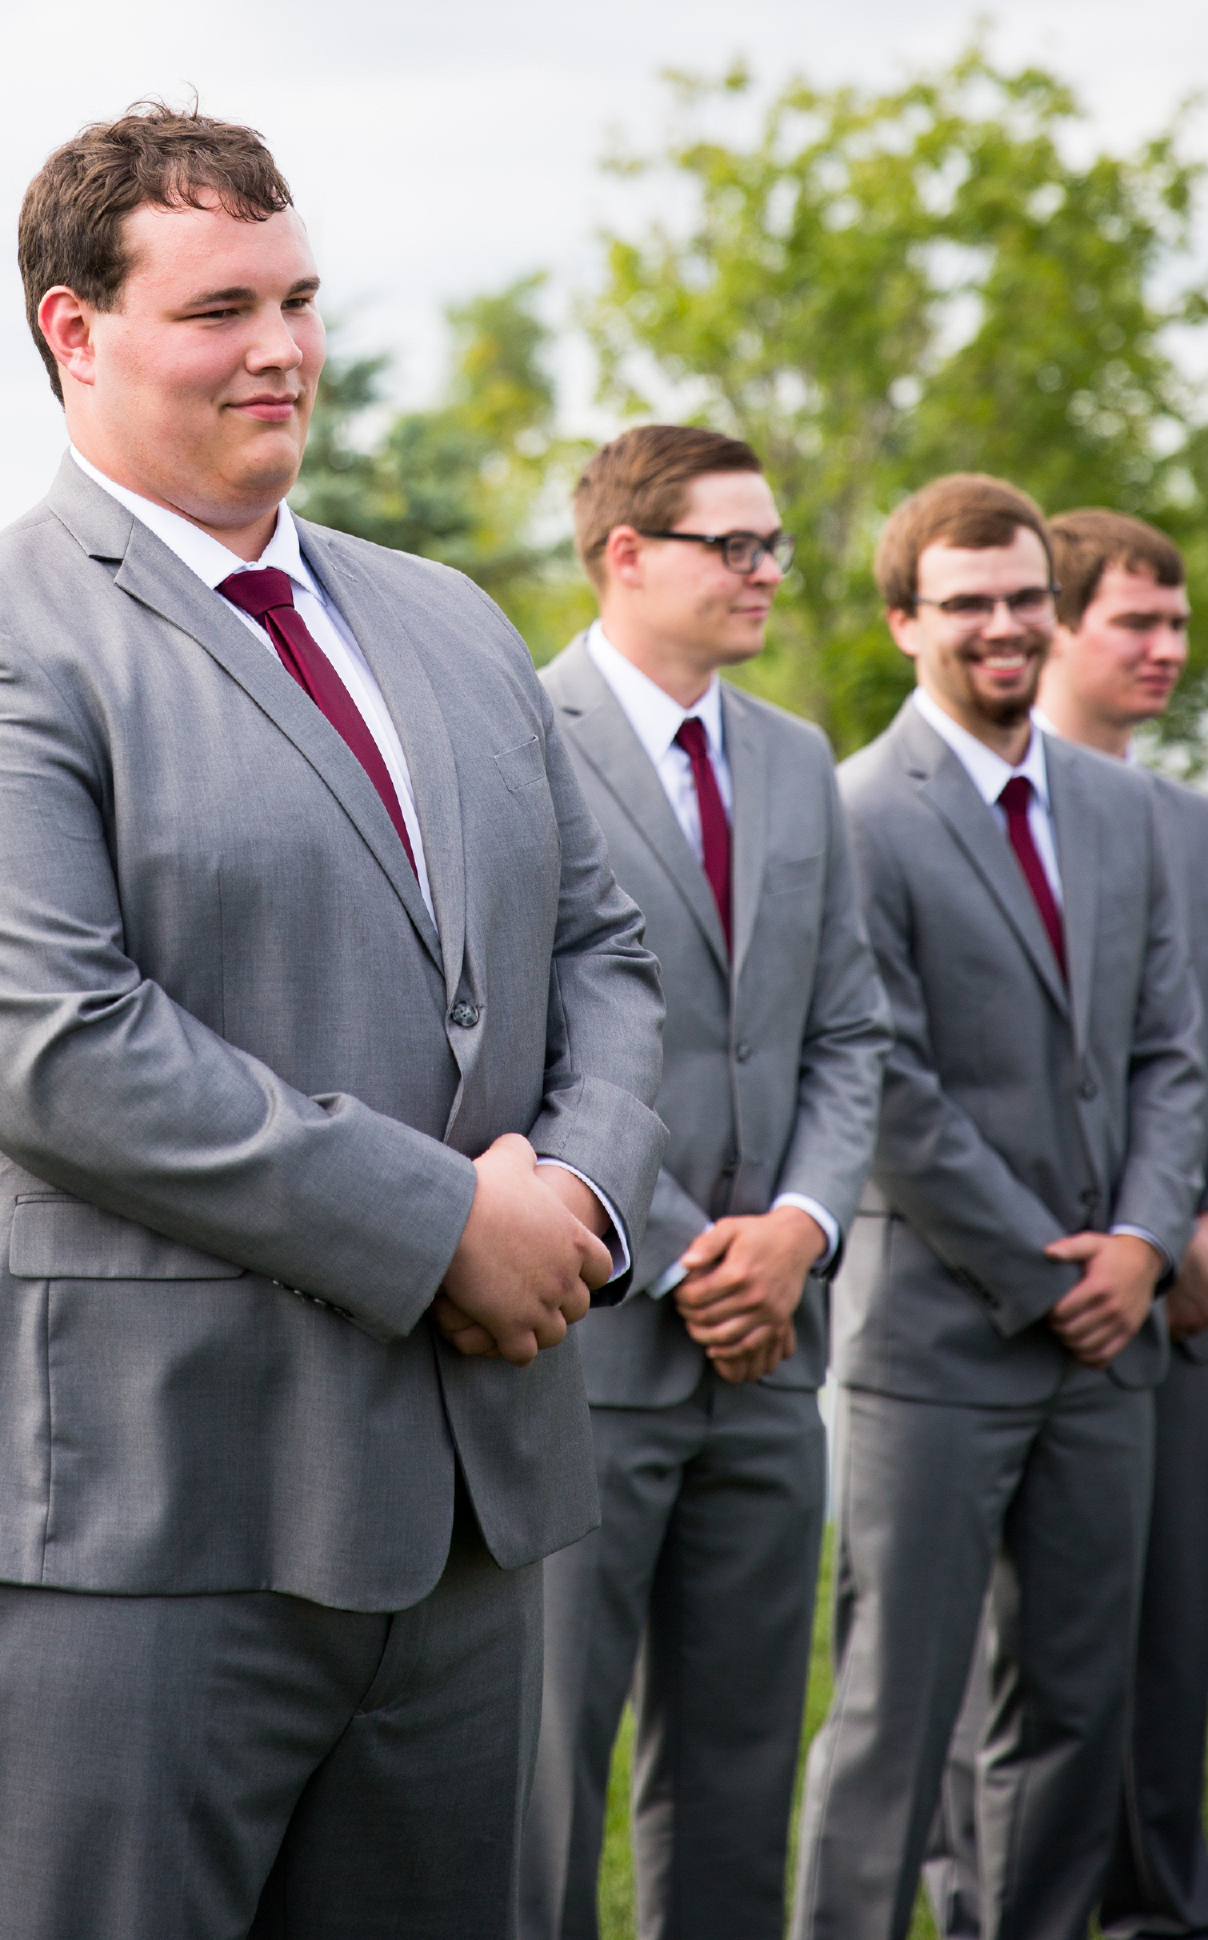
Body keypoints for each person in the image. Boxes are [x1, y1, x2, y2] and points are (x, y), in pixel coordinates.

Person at [0, 104, 668, 1940]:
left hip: (462, 1519)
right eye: (222, 305)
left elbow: (612, 953)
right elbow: (57, 1047)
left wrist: (578, 1199)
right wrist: (446, 1226)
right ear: (75, 332)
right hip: (117, 1524)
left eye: (302, 298)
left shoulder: (453, 624)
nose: (285, 348)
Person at [790, 474, 1205, 1940]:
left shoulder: (1125, 811)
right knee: (894, 1720)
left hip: (1112, 1345)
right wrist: (1054, 1270)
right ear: (906, 621)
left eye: (1026, 595)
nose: (1006, 626)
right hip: (942, 1341)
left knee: (1077, 1710)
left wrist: (1146, 1248)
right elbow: (888, 1087)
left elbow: (1170, 1049)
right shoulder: (854, 813)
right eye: (968, 604)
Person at [518, 425, 890, 1939]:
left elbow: (848, 1028)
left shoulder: (798, 760)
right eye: (733, 546)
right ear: (626, 557)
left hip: (773, 1355)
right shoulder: (516, 734)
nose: (766, 573)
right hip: (592, 1348)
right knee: (546, 1773)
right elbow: (525, 1039)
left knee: (740, 1764)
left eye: (773, 545)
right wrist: (681, 1255)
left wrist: (797, 1232)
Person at [929, 508, 1208, 1940]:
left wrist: (1171, 1229)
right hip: (995, 1306)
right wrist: (1087, 1260)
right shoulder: (907, 808)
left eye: (1180, 626)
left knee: (1143, 1661)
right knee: (983, 1673)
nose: (1166, 651)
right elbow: (903, 1072)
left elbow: (1180, 1045)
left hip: (1164, 1294)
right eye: (1137, 624)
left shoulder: (1176, 821)